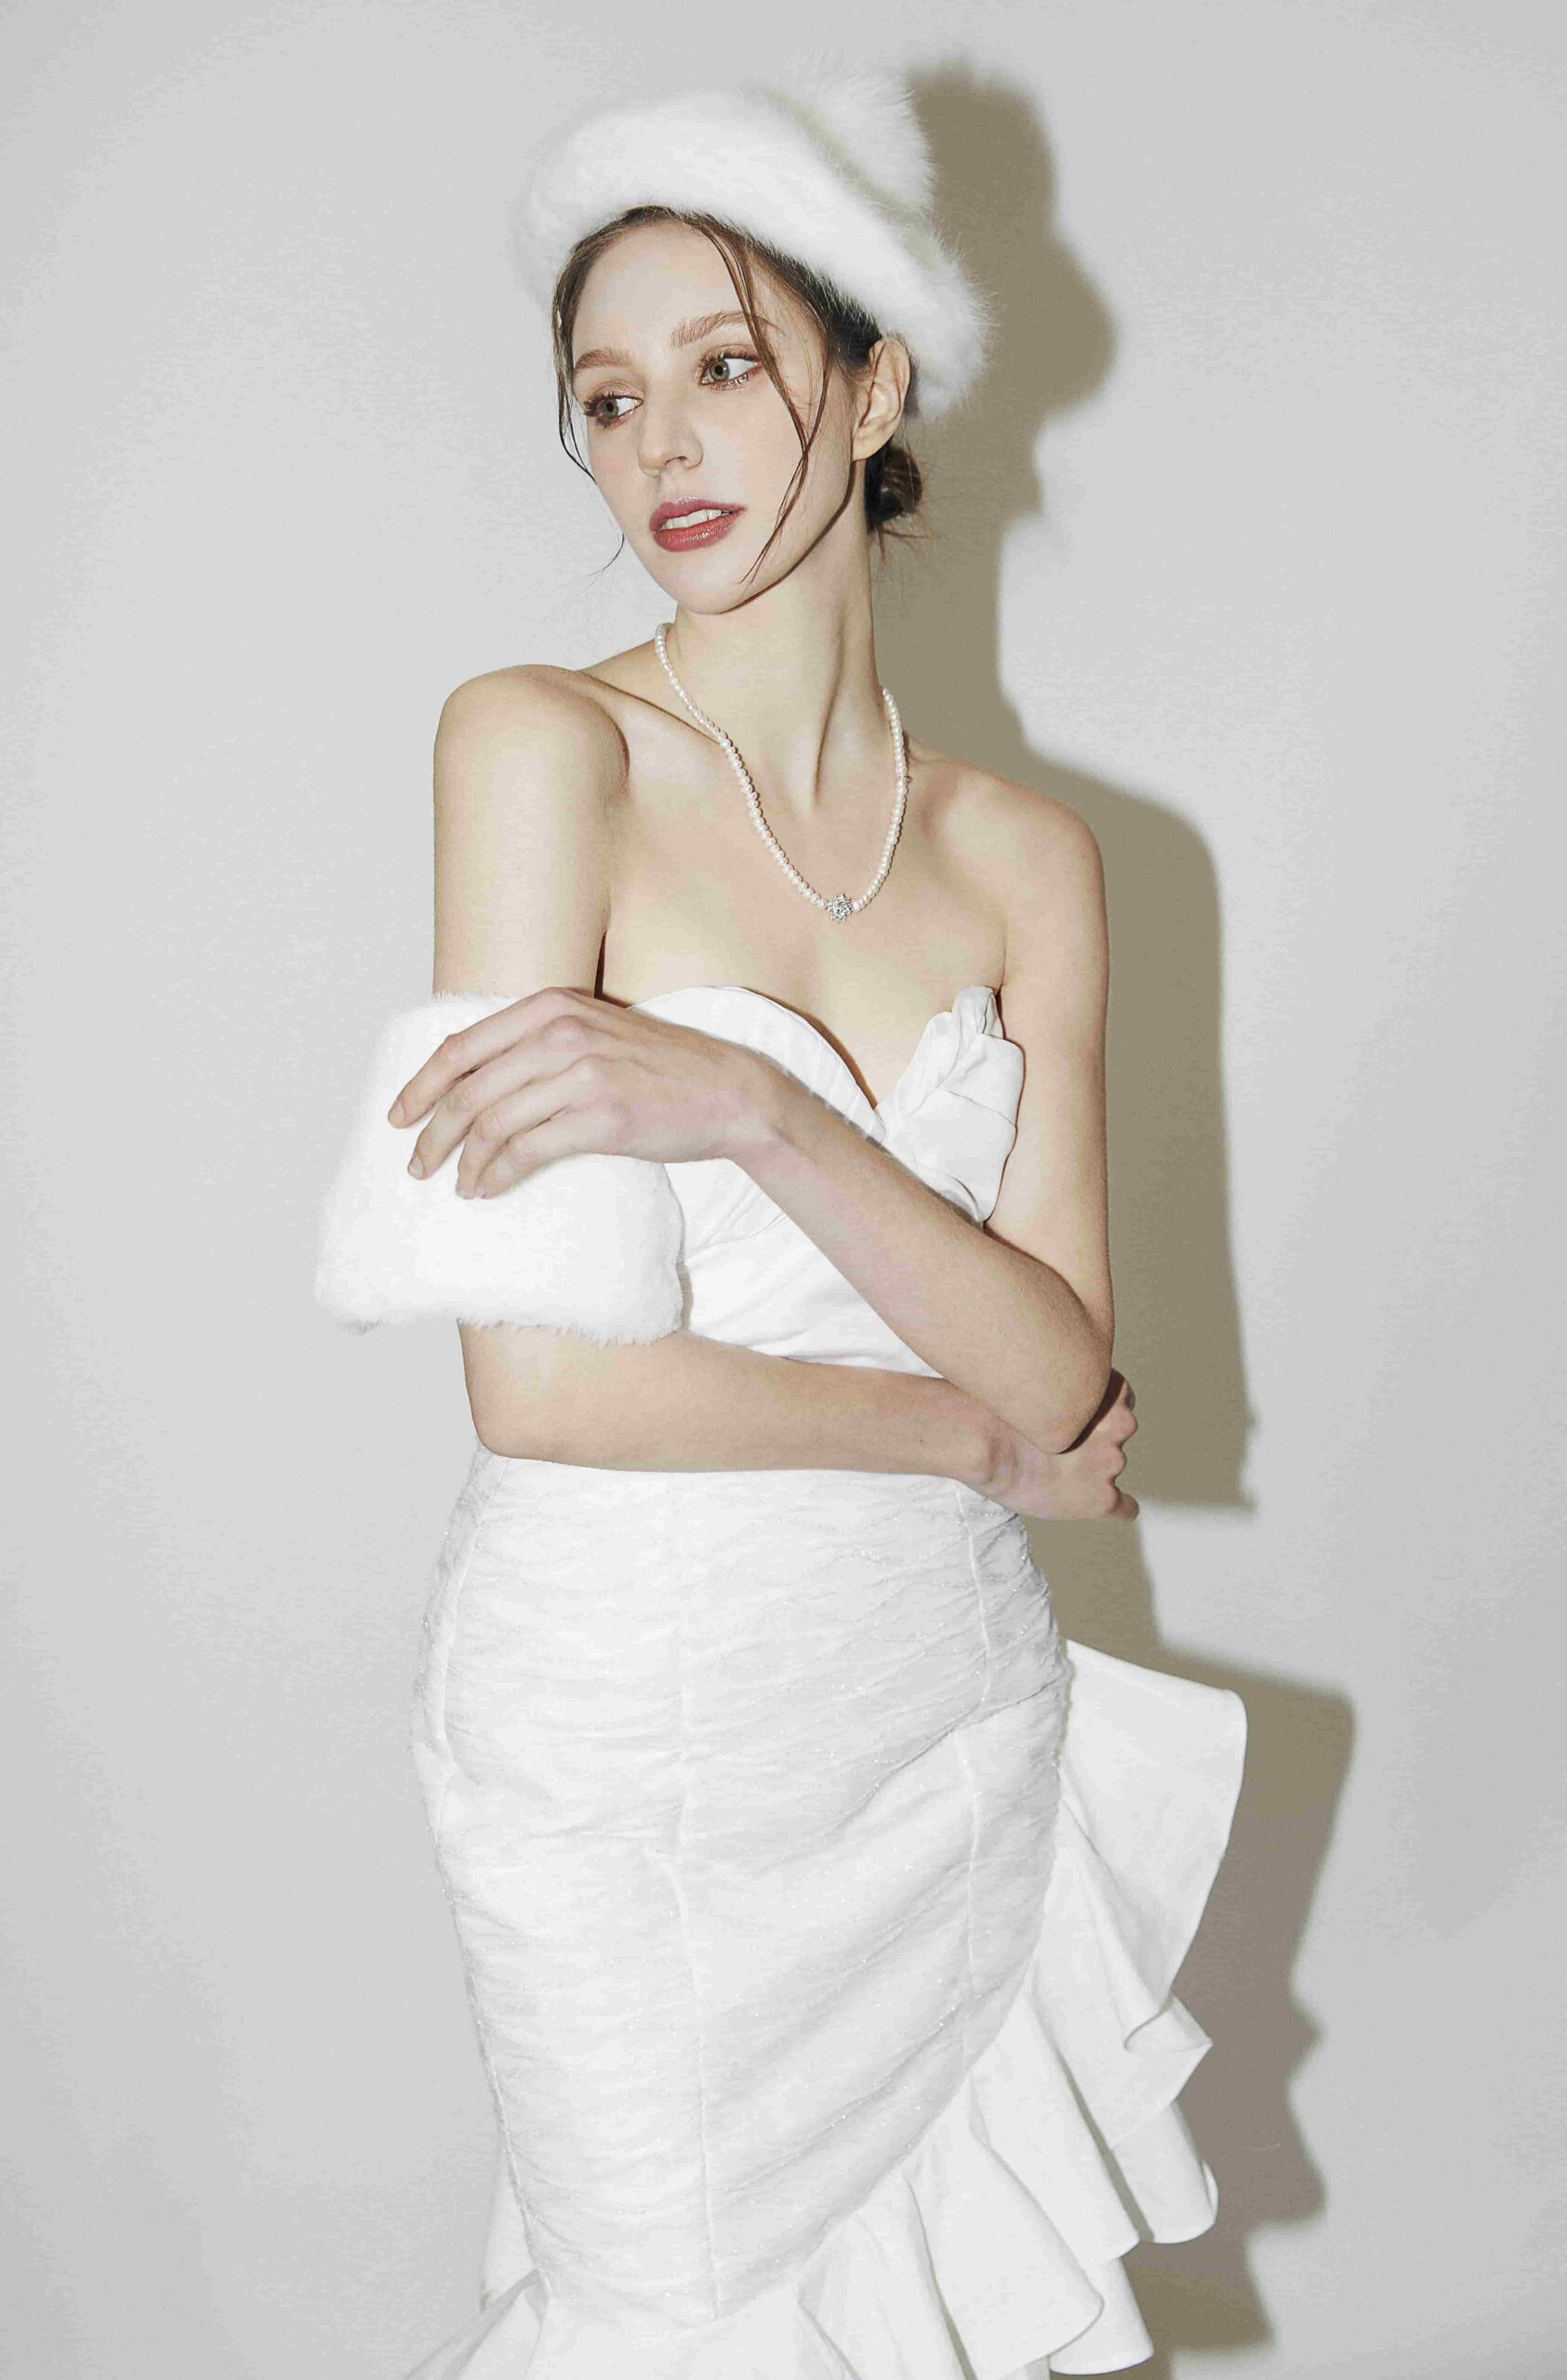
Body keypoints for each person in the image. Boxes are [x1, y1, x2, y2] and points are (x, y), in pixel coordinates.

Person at [314, 62, 1247, 2380]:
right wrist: (968, 1442)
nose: (662, 448)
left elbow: (1066, 1362)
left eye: (725, 365)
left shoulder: (1029, 856)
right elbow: (544, 1385)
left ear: (872, 383)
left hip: (935, 1716)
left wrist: (747, 1107)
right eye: (606, 398)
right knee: (661, 2313)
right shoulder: (536, 747)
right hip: (629, 1726)